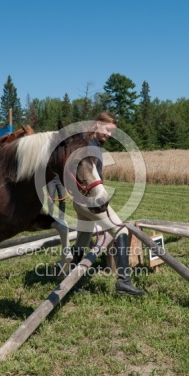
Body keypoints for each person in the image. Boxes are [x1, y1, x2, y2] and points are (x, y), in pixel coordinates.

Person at [71, 111, 145, 296]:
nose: (110, 134)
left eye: (112, 131)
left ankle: (72, 281)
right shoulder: (89, 146)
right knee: (121, 230)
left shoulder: (90, 143)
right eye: (108, 129)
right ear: (97, 124)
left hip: (80, 201)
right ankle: (124, 281)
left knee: (82, 239)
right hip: (90, 200)